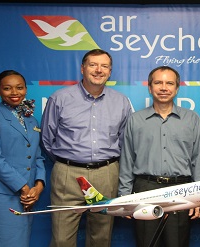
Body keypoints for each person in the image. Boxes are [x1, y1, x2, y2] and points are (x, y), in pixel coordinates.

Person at [41, 49, 132, 247]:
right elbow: (47, 140)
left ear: (110, 71)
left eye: (104, 66)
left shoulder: (121, 101)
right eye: (93, 65)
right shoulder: (60, 98)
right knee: (61, 239)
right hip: (68, 174)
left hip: (106, 174)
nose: (98, 70)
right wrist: (68, 164)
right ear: (82, 68)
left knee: (101, 237)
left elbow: (125, 142)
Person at [118, 65, 200, 247]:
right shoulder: (136, 120)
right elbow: (127, 161)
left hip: (181, 191)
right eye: (158, 83)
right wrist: (124, 197)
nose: (164, 88)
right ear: (150, 87)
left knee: (177, 243)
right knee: (147, 243)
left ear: (177, 88)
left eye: (169, 83)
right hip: (145, 189)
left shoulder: (191, 119)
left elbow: (198, 160)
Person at [0, 70, 46, 247]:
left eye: (19, 87)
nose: (14, 93)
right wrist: (23, 187)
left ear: (25, 90)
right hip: (2, 196)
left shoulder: (31, 120)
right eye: (7, 88)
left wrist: (38, 186)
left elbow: (37, 156)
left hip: (28, 197)